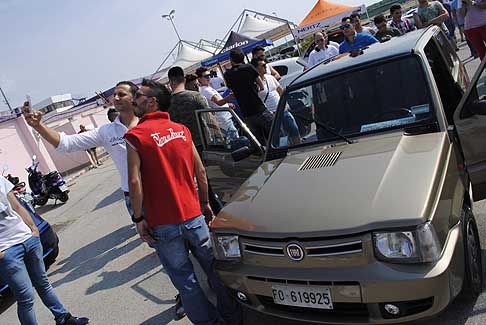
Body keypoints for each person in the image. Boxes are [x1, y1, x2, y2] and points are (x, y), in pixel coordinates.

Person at [23, 81, 187, 320]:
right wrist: (39, 126)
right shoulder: (107, 132)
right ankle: (184, 293)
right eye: (114, 94)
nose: (115, 97)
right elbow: (67, 144)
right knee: (162, 249)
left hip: (167, 191)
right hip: (137, 200)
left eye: (122, 93)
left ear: (135, 98)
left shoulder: (152, 123)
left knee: (186, 241)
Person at [124, 79, 241, 325]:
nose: (134, 100)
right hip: (193, 216)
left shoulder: (135, 136)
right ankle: (233, 315)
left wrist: (138, 218)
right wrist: (204, 203)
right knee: (214, 270)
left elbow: (134, 182)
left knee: (186, 281)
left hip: (163, 223)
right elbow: (200, 173)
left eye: (139, 96)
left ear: (152, 101)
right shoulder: (182, 130)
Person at [0, 176, 89, 325]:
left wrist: (33, 229)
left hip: (27, 238)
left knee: (43, 283)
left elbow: (17, 206)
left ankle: (63, 318)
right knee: (26, 298)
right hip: (7, 251)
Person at [168, 66, 224, 215]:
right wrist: (220, 139)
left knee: (192, 182)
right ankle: (217, 209)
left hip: (181, 148)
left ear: (170, 82)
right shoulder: (195, 97)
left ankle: (200, 210)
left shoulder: (166, 104)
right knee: (211, 179)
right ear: (184, 79)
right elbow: (210, 118)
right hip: (203, 144)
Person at [224, 48, 274, 144]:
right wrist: (254, 90)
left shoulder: (228, 74)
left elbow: (231, 90)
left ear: (231, 59)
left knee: (260, 143)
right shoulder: (249, 67)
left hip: (247, 114)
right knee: (275, 135)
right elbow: (261, 86)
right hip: (259, 108)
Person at [251, 58, 301, 146]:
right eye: (262, 65)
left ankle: (300, 148)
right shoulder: (254, 84)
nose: (265, 66)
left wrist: (285, 104)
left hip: (282, 110)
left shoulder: (270, 77)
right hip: (271, 114)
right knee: (281, 136)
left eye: (265, 64)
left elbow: (280, 90)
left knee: (294, 129)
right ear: (255, 69)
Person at [195, 67, 238, 140]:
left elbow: (216, 103)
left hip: (224, 119)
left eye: (209, 75)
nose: (209, 77)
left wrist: (227, 104)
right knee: (235, 141)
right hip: (223, 120)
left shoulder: (207, 88)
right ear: (199, 79)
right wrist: (231, 96)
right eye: (206, 76)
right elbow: (219, 102)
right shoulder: (205, 90)